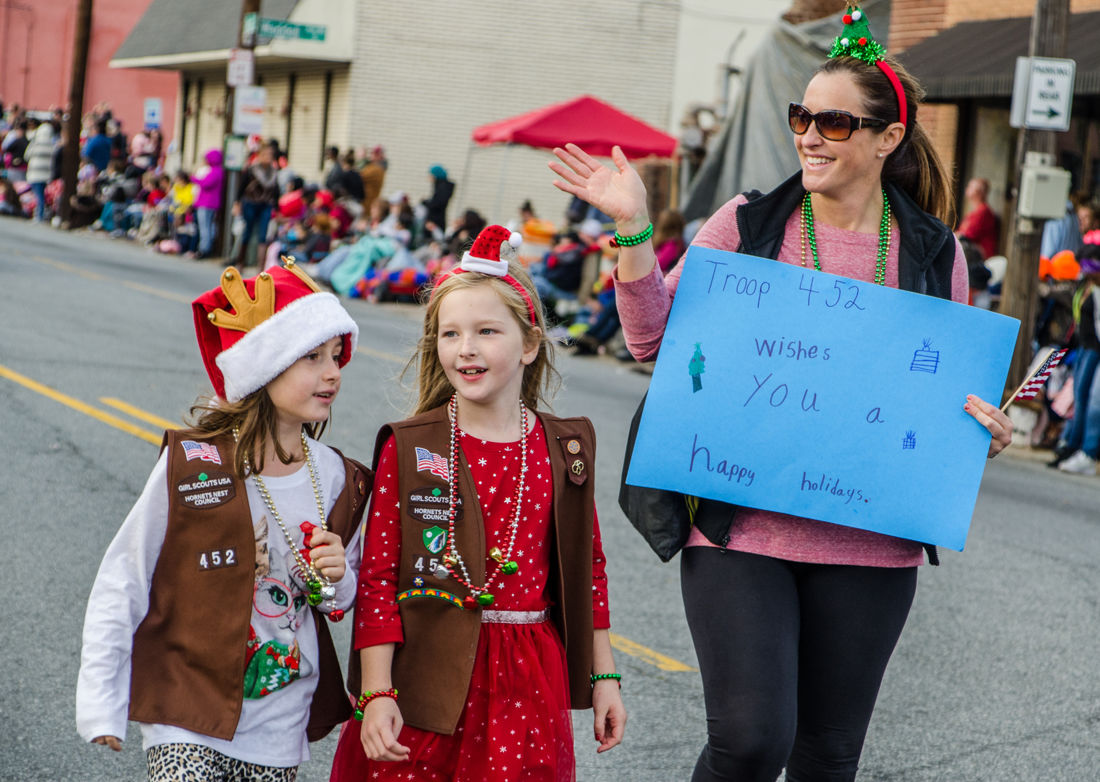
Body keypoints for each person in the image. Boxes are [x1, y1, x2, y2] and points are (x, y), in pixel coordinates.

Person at [548, 7, 1011, 781]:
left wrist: (979, 431)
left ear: (886, 137)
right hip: (742, 529)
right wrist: (633, 228)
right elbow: (655, 346)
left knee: (828, 756)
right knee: (752, 740)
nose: (809, 136)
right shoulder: (750, 223)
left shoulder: (935, 252)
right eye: (802, 117)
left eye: (832, 122)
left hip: (872, 540)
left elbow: (941, 397)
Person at [329, 224, 626, 780]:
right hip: (425, 674)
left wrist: (603, 677)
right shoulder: (412, 445)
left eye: (487, 331)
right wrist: (376, 692)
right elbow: (378, 577)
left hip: (526, 679)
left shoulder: (563, 447)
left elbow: (589, 569)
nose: (465, 349)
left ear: (530, 345)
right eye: (449, 334)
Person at [76, 262, 369, 779]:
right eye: (312, 357)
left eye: (336, 357)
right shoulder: (194, 463)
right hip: (186, 708)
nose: (333, 373)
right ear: (265, 368)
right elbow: (125, 576)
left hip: (278, 721)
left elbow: (344, 598)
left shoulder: (338, 477)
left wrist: (336, 578)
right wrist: (102, 699)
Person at [1053, 244, 1100, 474]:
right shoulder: (1087, 287)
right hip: (1084, 346)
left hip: (1095, 349)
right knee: (1080, 397)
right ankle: (1071, 445)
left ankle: (1088, 452)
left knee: (1093, 401)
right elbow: (1078, 319)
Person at [234, 143, 280, 268]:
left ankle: (261, 267)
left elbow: (276, 191)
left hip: (266, 205)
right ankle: (241, 261)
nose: (267, 157)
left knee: (263, 235)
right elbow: (241, 188)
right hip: (250, 203)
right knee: (247, 231)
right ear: (259, 155)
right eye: (265, 154)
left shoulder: (274, 171)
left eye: (270, 155)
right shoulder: (251, 169)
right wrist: (237, 203)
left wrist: (277, 208)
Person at [192, 148, 225, 258]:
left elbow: (206, 183)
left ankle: (204, 248)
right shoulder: (218, 171)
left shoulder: (215, 171)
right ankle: (207, 247)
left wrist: (194, 178)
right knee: (209, 226)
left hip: (206, 203)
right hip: (211, 203)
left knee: (204, 227)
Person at [956, 177, 998, 260]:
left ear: (978, 192)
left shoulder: (983, 211)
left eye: (971, 187)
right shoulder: (976, 210)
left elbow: (966, 235)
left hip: (980, 256)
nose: (967, 189)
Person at [26, 120, 57, 222]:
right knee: (42, 194)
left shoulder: (36, 142)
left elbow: (27, 155)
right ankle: (40, 214)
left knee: (37, 195)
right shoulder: (52, 145)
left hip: (35, 172)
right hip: (46, 173)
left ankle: (39, 215)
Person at [422, 163, 455, 236]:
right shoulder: (441, 187)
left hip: (435, 222)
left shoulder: (443, 188)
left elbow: (437, 204)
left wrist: (426, 203)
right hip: (434, 221)